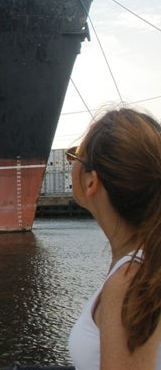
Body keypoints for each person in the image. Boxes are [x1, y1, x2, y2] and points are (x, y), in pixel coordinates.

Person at [67, 107, 161, 370]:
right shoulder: (146, 262)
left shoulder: (130, 282)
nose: (71, 163)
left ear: (91, 183)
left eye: (73, 156)